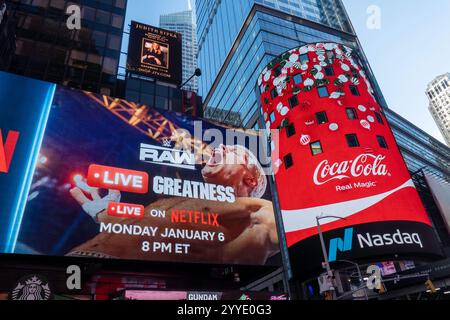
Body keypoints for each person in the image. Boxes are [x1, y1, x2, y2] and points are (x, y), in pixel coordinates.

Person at [68, 144, 279, 265]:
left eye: (234, 151)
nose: (222, 146)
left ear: (250, 180)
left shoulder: (256, 211)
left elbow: (279, 231)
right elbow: (138, 228)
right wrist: (103, 212)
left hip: (122, 284)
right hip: (73, 264)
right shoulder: (178, 201)